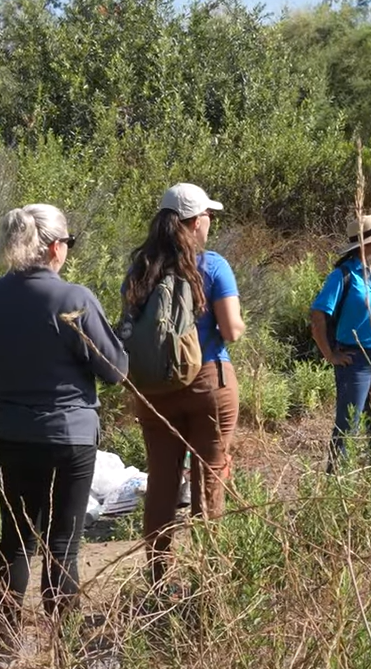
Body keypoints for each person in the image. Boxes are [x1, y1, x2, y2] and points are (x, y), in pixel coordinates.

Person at [0, 204, 128, 669]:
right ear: (55, 246)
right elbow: (115, 370)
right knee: (64, 544)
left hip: (11, 431)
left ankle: (4, 647)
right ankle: (68, 653)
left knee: (13, 541)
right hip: (69, 436)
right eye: (68, 244)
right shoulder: (73, 298)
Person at [126, 183, 245, 590]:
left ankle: (159, 579)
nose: (210, 221)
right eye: (208, 215)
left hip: (153, 390)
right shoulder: (212, 266)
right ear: (196, 222)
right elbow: (231, 328)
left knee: (161, 482)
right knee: (209, 478)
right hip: (208, 382)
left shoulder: (140, 267)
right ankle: (209, 580)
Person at [310, 214, 371, 473]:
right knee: (348, 423)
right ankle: (336, 483)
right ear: (364, 244)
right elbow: (318, 314)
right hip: (355, 361)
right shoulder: (343, 275)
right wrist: (330, 355)